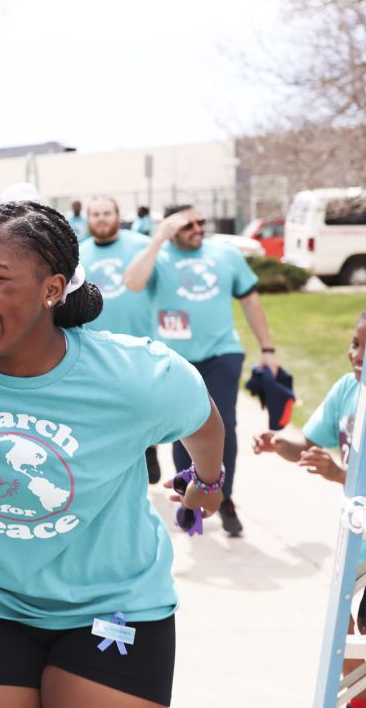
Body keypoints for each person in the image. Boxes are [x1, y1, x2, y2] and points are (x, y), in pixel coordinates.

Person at [0, 201, 225, 708]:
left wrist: (208, 480)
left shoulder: (135, 380)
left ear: (52, 289)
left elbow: (203, 420)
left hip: (116, 606)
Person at [123, 204, 279, 537]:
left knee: (224, 423)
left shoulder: (226, 255)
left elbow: (251, 301)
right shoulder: (159, 257)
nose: (197, 229)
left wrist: (267, 349)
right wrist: (158, 239)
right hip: (176, 357)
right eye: (187, 225)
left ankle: (224, 496)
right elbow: (133, 283)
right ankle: (190, 497)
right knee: (185, 427)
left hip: (223, 352)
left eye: (200, 222)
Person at [252, 310, 366, 708]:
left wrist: (342, 476)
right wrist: (279, 444)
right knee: (346, 626)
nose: (356, 353)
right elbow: (310, 446)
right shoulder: (347, 389)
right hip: (359, 530)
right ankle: (361, 701)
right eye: (355, 343)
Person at [78, 197, 163, 484]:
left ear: (118, 215)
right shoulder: (78, 253)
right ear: (89, 218)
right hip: (93, 346)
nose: (101, 218)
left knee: (142, 403)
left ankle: (148, 445)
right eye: (96, 214)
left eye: (107, 213)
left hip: (138, 342)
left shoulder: (141, 245)